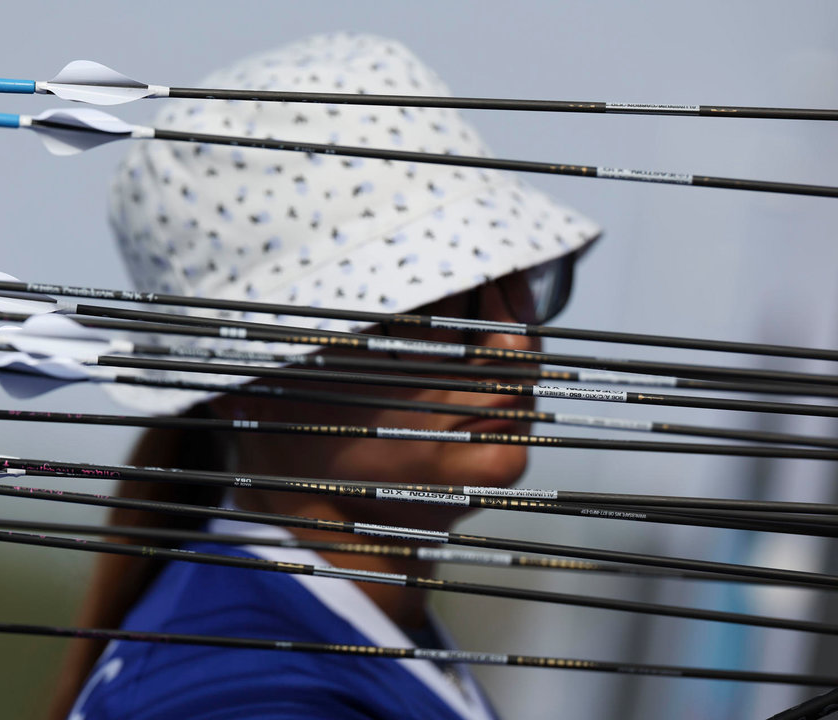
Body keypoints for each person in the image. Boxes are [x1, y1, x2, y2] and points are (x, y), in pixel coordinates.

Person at [53, 32, 601, 719]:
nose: (511, 340)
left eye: (517, 283)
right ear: (241, 381)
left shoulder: (342, 626)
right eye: (432, 302)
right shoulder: (245, 694)